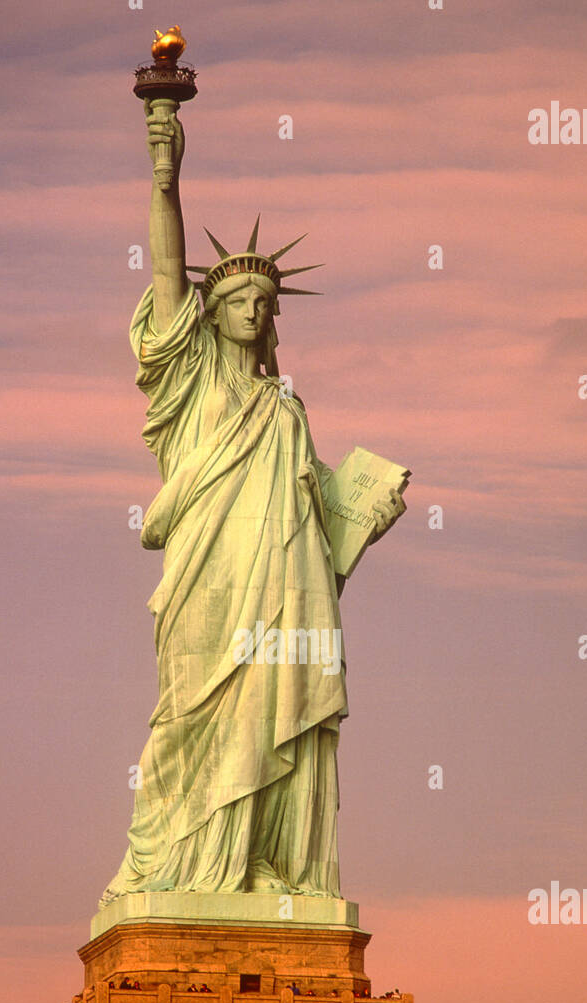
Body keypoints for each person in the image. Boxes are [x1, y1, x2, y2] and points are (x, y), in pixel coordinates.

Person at [100, 98, 404, 904]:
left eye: (265, 303)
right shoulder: (188, 383)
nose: (255, 310)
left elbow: (315, 529)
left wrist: (364, 513)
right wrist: (166, 175)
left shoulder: (286, 411)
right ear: (213, 312)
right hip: (208, 576)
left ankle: (255, 862)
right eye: (239, 300)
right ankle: (176, 866)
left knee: (271, 712)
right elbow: (168, 272)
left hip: (282, 587)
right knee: (189, 718)